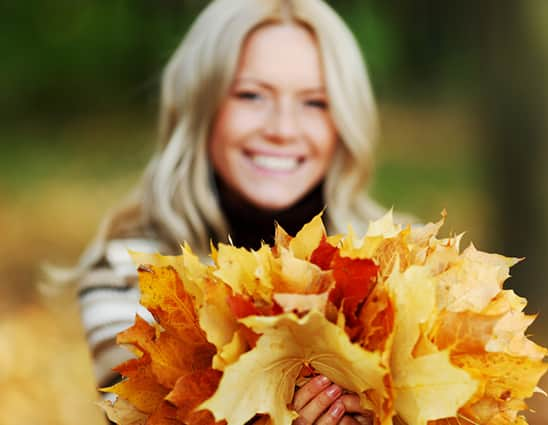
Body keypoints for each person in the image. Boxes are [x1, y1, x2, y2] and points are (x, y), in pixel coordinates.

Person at [64, 0, 394, 423]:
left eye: (315, 102)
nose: (282, 129)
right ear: (200, 107)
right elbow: (140, 412)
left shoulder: (398, 264)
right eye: (251, 95)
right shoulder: (132, 271)